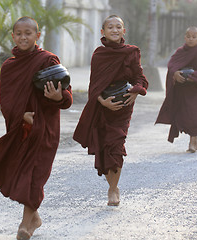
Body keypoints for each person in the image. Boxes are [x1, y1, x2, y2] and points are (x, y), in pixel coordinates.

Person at [0, 16, 73, 240]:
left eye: (28, 33)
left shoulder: (48, 60)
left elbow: (67, 96)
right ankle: (34, 218)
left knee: (35, 175)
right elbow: (6, 100)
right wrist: (21, 117)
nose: (23, 37)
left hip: (44, 129)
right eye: (19, 33)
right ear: (13, 36)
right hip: (22, 130)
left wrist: (58, 97)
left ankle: (25, 224)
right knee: (22, 175)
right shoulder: (9, 66)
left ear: (37, 36)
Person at [73, 15, 148, 206]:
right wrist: (102, 102)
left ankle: (113, 189)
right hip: (103, 105)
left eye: (118, 27)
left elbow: (140, 77)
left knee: (116, 146)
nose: (114, 30)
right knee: (104, 148)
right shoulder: (99, 54)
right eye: (110, 27)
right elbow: (94, 85)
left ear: (124, 31)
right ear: (103, 32)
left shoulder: (131, 52)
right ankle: (112, 185)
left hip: (123, 105)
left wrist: (136, 92)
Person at [155, 26, 197, 153]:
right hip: (183, 91)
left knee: (195, 116)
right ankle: (194, 140)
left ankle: (193, 140)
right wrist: (175, 74)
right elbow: (172, 65)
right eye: (188, 36)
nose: (191, 39)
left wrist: (193, 77)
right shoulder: (180, 52)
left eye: (194, 37)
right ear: (184, 38)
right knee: (185, 116)